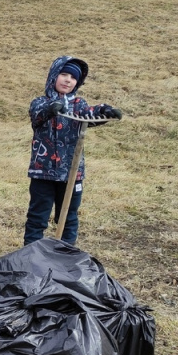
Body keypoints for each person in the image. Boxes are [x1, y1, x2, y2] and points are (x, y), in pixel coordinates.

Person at [24, 55, 122, 245]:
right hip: (43, 172)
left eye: (73, 77)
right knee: (37, 217)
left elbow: (89, 114)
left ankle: (66, 254)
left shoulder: (79, 105)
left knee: (68, 217)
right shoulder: (39, 102)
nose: (68, 80)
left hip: (72, 173)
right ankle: (31, 255)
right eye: (64, 74)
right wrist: (52, 108)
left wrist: (104, 111)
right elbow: (38, 115)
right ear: (54, 75)